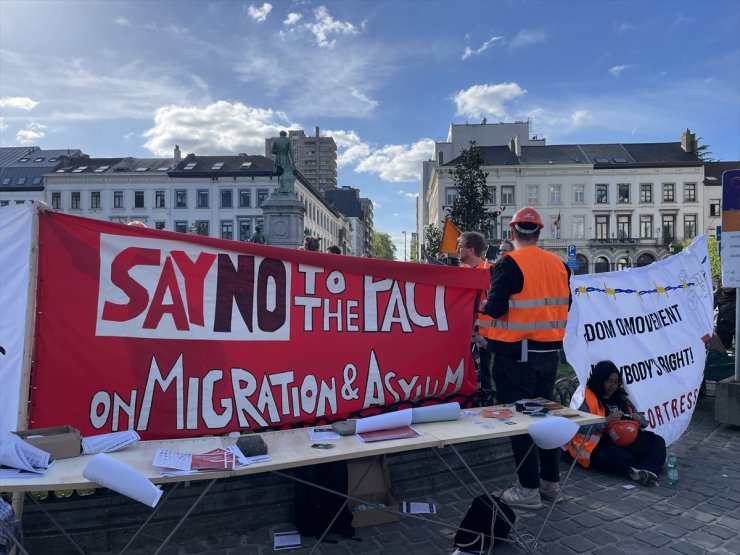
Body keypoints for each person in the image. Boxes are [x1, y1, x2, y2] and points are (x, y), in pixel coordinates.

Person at [481, 206, 570, 509]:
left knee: (521, 423)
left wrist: (475, 304)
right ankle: (550, 483)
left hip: (515, 357)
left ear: (512, 231)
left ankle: (528, 490)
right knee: (544, 420)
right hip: (549, 356)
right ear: (540, 232)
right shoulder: (560, 264)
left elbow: (493, 309)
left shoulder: (508, 264)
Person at [567, 360, 666, 486]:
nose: (613, 386)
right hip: (599, 443)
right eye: (609, 381)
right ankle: (648, 465)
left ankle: (643, 470)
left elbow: (644, 421)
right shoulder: (586, 396)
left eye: (616, 382)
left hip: (625, 439)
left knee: (658, 441)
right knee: (621, 459)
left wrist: (638, 420)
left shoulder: (620, 397)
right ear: (600, 379)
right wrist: (606, 420)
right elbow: (579, 427)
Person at [456, 231, 495, 406]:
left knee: (484, 372)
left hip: (484, 333)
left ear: (471, 250)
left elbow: (496, 303)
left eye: (460, 247)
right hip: (463, 332)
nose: (457, 250)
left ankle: (485, 402)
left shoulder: (490, 270)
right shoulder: (461, 271)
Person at [714, 285, 736, 350]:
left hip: (737, 325)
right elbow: (708, 309)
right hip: (723, 326)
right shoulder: (718, 294)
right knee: (722, 348)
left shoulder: (738, 293)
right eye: (722, 284)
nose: (726, 286)